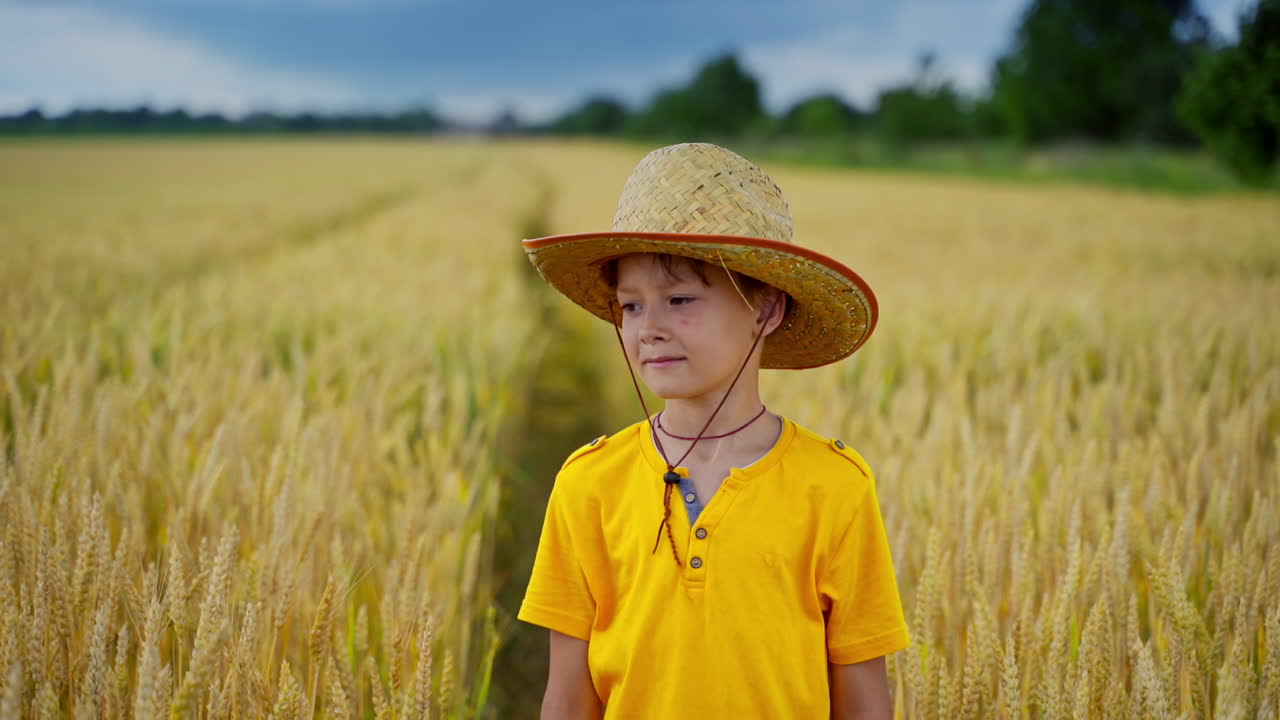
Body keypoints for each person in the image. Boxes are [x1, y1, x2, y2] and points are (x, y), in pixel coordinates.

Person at [517, 142, 909, 719]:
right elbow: (568, 699)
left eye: (679, 300)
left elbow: (865, 701)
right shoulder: (588, 483)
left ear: (766, 310)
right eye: (630, 307)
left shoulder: (835, 487)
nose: (649, 329)